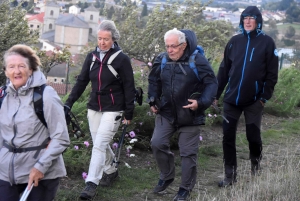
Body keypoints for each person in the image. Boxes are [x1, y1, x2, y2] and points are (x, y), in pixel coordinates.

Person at [64, 20, 135, 200]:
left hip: (114, 108)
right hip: (94, 106)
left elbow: (129, 86)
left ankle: (91, 184)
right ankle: (111, 170)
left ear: (114, 39)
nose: (102, 42)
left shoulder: (122, 59)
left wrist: (129, 112)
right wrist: (69, 102)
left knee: (99, 145)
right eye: (100, 39)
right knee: (99, 144)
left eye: (106, 39)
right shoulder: (91, 57)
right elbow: (81, 82)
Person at [148, 28, 218, 201]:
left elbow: (211, 83)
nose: (170, 50)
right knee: (157, 143)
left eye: (174, 46)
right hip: (166, 112)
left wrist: (200, 103)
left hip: (190, 113)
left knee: (187, 153)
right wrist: (152, 99)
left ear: (184, 45)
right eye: (167, 46)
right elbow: (153, 80)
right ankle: (167, 175)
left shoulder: (197, 60)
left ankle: (185, 189)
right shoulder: (162, 59)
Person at [215, 6, 279, 187]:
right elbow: (224, 70)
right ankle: (230, 176)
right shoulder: (234, 41)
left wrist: (263, 97)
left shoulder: (267, 42)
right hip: (231, 100)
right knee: (228, 138)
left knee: (253, 137)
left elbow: (272, 74)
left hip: (254, 101)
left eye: (252, 18)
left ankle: (256, 168)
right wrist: (216, 94)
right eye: (245, 18)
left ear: (258, 21)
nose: (248, 21)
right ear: (241, 21)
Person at [0, 44, 70, 201]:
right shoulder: (2, 96)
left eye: (21, 66)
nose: (16, 71)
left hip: (40, 173)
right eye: (11, 66)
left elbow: (61, 137)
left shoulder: (46, 95)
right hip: (6, 172)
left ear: (31, 69)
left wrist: (40, 166)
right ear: (6, 71)